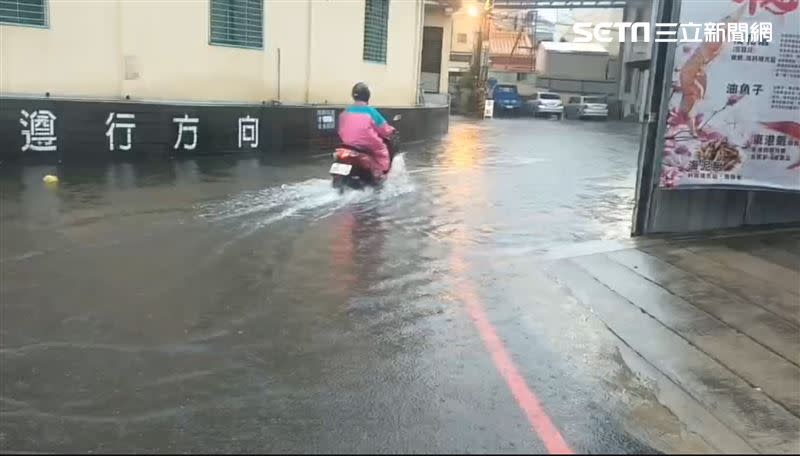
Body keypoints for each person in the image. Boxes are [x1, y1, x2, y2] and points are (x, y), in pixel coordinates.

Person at [337, 82, 396, 180]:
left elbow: (340, 129)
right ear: (367, 96)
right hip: (366, 145)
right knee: (382, 150)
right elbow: (384, 129)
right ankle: (382, 174)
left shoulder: (345, 111)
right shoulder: (370, 111)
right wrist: (391, 130)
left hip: (346, 145)